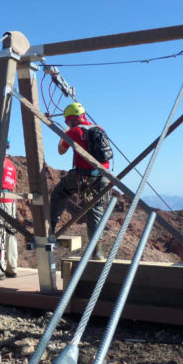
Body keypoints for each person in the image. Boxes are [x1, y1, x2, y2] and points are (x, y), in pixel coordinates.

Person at [49, 102, 111, 260]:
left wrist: (65, 133)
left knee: (59, 193)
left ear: (70, 120)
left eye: (66, 121)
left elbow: (61, 151)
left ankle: (51, 230)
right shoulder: (99, 129)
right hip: (103, 177)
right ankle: (96, 252)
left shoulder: (74, 131)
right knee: (95, 212)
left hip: (84, 176)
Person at [0, 139, 18, 279]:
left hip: (0, 199)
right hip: (11, 200)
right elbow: (13, 185)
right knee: (11, 234)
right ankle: (12, 268)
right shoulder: (11, 165)